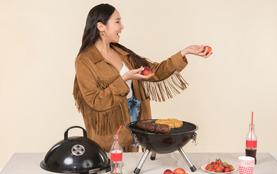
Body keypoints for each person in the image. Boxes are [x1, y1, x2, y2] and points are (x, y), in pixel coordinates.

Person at [73, 3, 212, 152]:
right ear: (101, 26)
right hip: (110, 136)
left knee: (134, 170)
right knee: (114, 171)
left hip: (135, 126)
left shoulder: (122, 53)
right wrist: (125, 78)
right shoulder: (84, 61)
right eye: (117, 21)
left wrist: (184, 52)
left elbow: (155, 72)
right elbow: (95, 100)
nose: (122, 27)